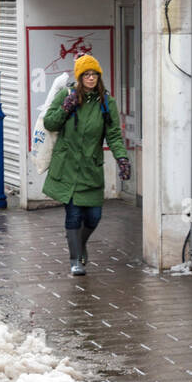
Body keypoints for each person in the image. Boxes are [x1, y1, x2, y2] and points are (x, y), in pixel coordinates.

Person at [42, 54, 131, 275]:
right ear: (79, 77)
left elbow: (113, 135)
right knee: (74, 215)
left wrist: (122, 158)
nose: (91, 78)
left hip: (91, 167)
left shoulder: (106, 102)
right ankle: (75, 260)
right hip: (67, 167)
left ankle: (80, 244)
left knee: (94, 216)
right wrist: (66, 108)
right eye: (86, 75)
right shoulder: (67, 95)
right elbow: (50, 122)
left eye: (94, 75)